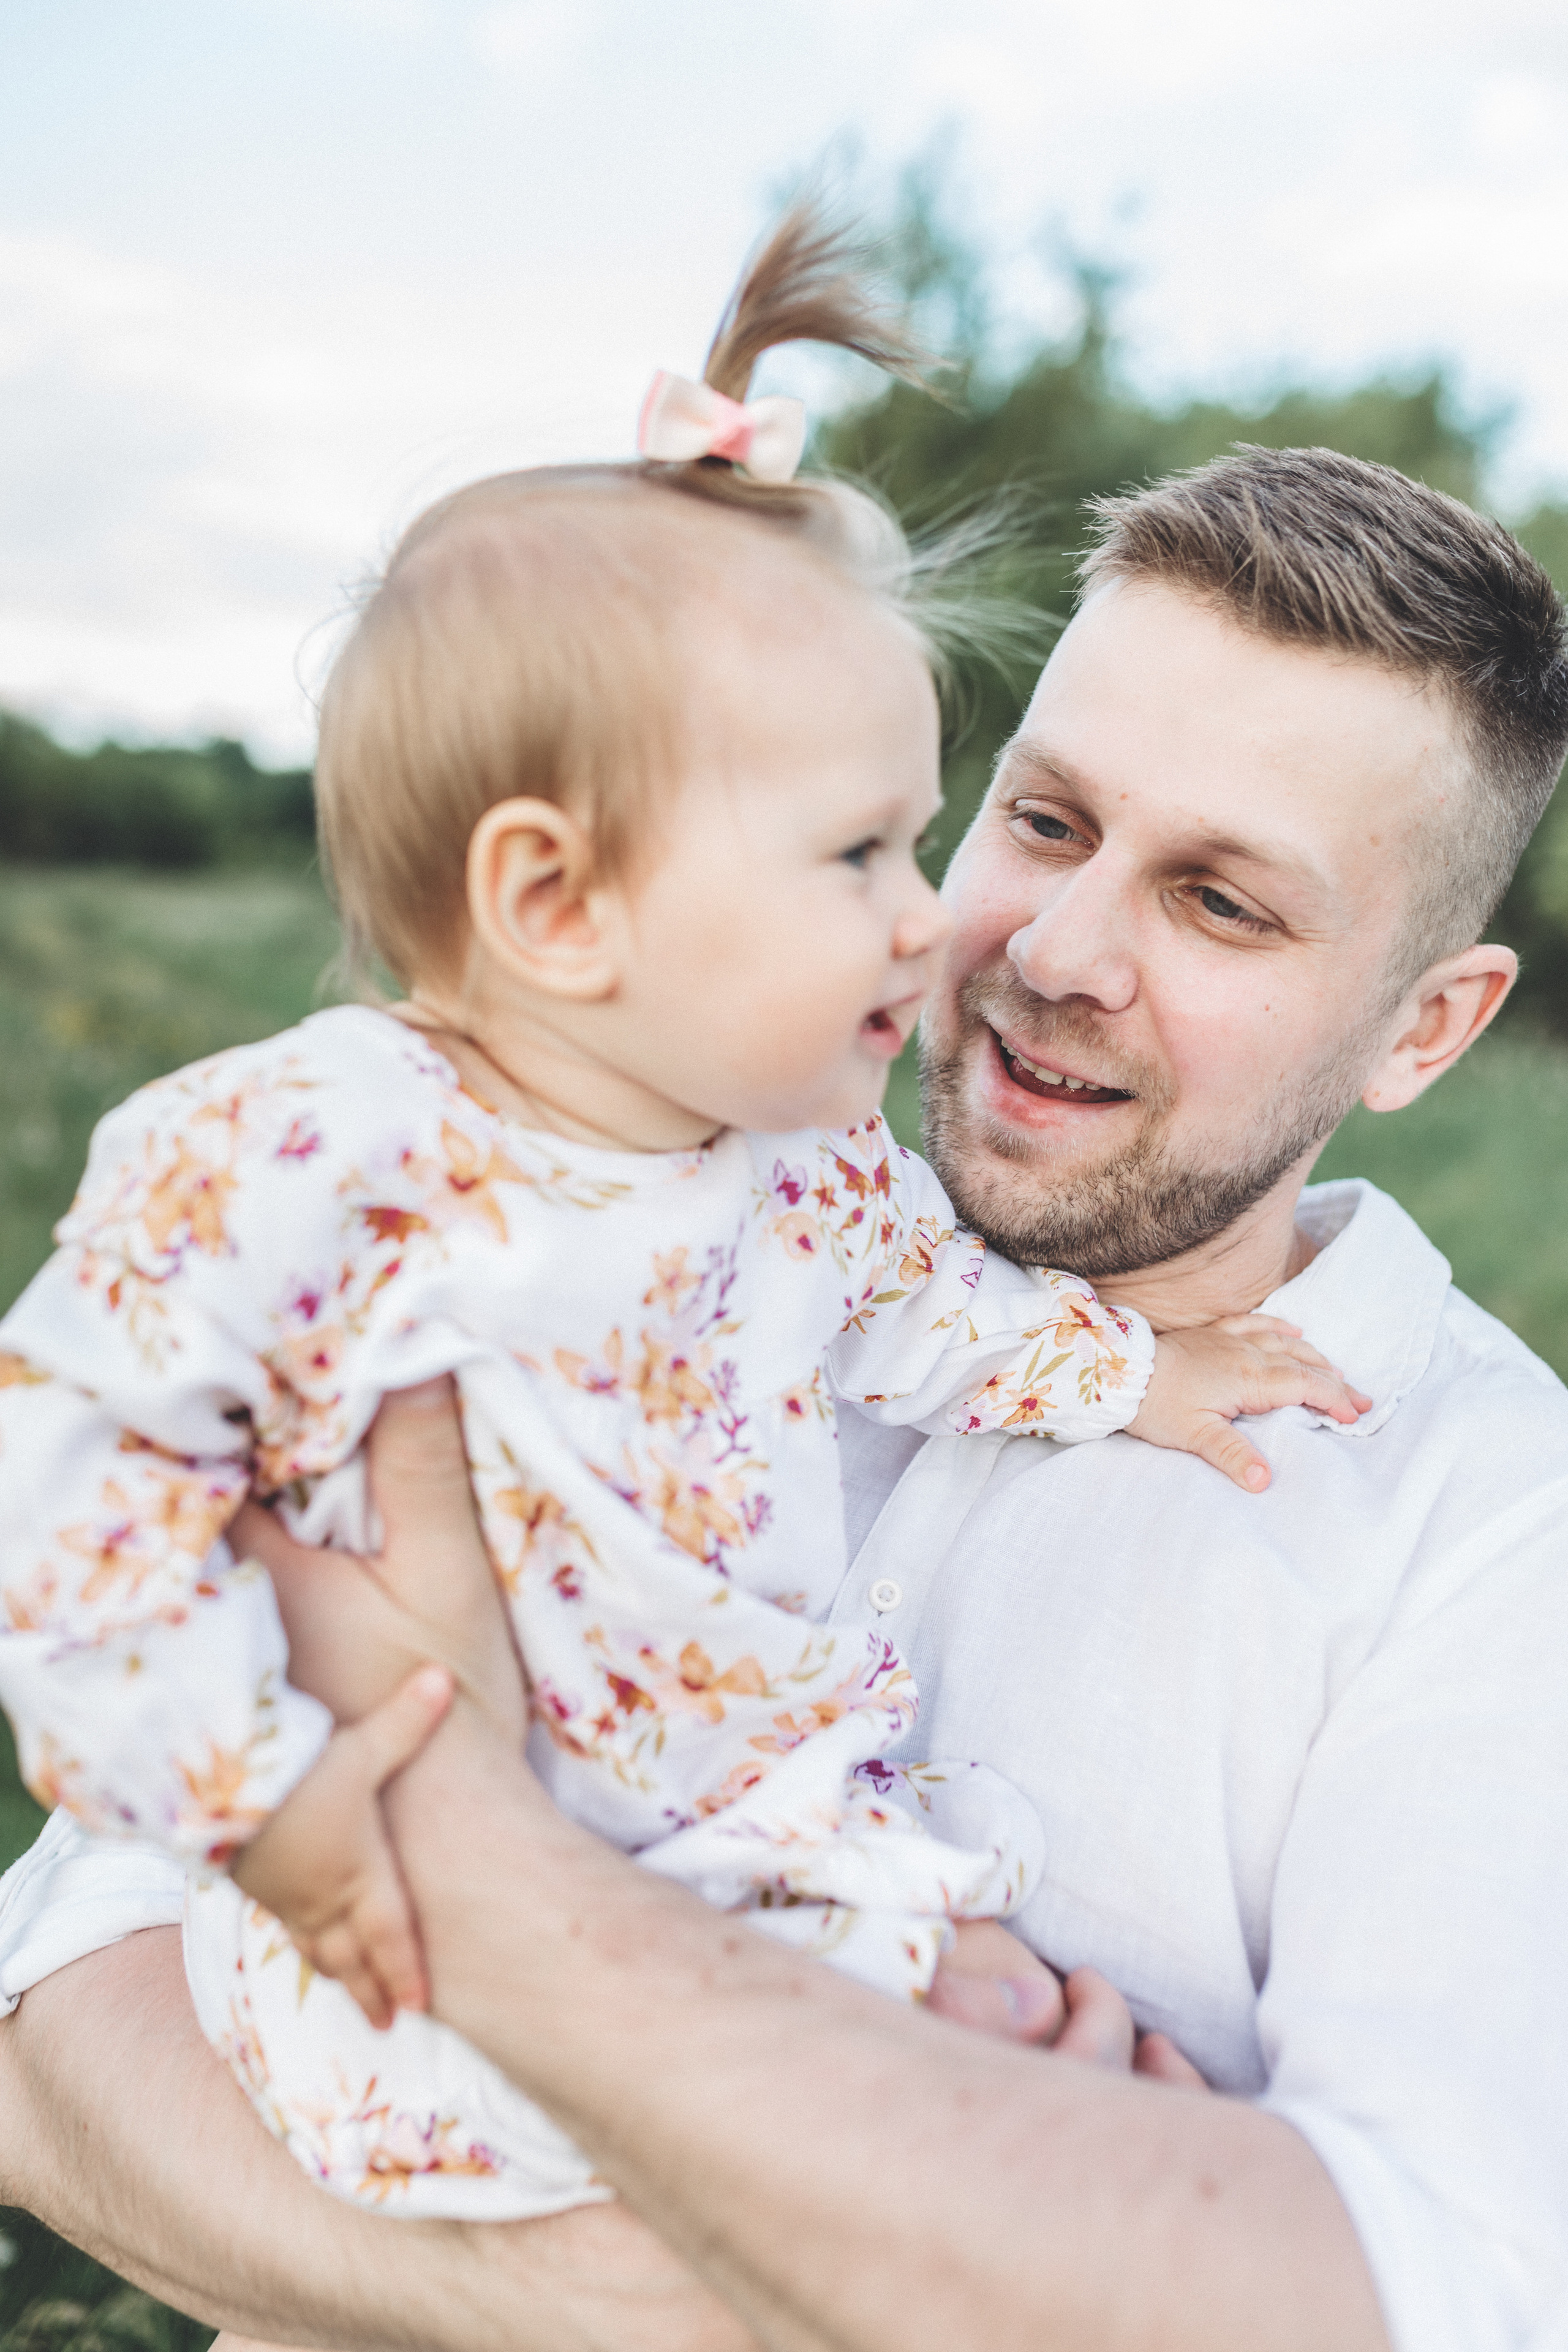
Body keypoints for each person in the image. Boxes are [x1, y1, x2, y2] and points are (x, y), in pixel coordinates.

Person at [2, 440, 1566, 2352]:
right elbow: (53, 2021)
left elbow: (1441, 2302)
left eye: (1224, 905)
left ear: (1428, 1025)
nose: (1044, 955)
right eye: (1047, 821)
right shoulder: (566, 1158)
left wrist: (469, 1894)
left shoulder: (1492, 1532)